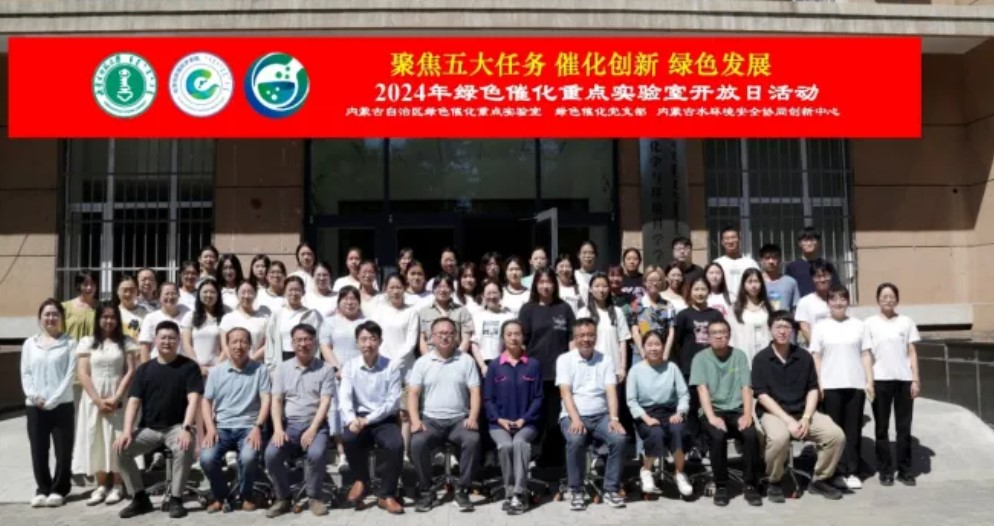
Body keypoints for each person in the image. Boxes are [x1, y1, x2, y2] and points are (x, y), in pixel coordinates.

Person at [751, 311, 845, 502]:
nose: (782, 331)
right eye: (778, 327)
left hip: (804, 411)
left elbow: (813, 389)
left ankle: (820, 479)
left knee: (835, 435)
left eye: (787, 327)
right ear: (770, 330)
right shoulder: (761, 359)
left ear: (793, 331)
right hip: (774, 413)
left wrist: (806, 418)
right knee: (779, 438)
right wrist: (788, 421)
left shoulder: (803, 356)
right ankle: (774, 480)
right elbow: (762, 396)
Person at [114, 320, 204, 519]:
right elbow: (133, 402)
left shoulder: (189, 367)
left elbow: (194, 400)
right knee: (121, 449)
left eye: (172, 338)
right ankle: (139, 498)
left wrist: (186, 428)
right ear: (155, 340)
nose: (167, 342)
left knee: (183, 446)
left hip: (177, 426)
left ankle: (176, 499)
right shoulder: (144, 370)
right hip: (150, 429)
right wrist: (127, 431)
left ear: (178, 340)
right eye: (163, 338)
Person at [408, 318, 482, 513]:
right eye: (440, 333)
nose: (444, 337)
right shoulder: (422, 362)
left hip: (459, 420)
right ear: (432, 337)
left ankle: (463, 490)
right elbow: (413, 393)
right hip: (431, 421)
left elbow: (475, 391)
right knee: (417, 442)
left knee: (472, 439)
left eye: (449, 333)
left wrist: (472, 417)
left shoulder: (466, 360)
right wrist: (415, 421)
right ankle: (426, 490)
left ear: (456, 336)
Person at [264, 324, 336, 518]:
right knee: (271, 454)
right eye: (298, 340)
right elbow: (277, 401)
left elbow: (325, 402)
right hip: (289, 426)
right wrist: (278, 429)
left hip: (316, 425)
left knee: (316, 453)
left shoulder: (326, 369)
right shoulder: (282, 369)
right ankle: (283, 498)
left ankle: (314, 497)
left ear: (315, 343)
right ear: (292, 343)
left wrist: (313, 429)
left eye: (307, 340)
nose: (303, 344)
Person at [689, 319, 762, 507]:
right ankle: (721, 485)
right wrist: (712, 417)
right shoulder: (700, 358)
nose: (719, 336)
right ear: (708, 337)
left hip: (736, 410)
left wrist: (747, 414)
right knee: (718, 436)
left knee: (750, 434)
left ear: (729, 335)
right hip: (713, 410)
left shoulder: (739, 355)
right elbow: (702, 389)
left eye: (723, 332)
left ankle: (750, 484)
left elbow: (746, 387)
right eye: (715, 333)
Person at [556, 318, 627, 510]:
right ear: (574, 337)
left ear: (596, 337)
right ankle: (576, 490)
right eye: (581, 335)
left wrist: (614, 418)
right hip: (573, 416)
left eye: (590, 335)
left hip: (601, 416)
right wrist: (575, 419)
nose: (586, 339)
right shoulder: (564, 359)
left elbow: (611, 391)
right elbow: (565, 392)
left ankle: (611, 489)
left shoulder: (606, 359)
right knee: (576, 439)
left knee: (619, 438)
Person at [199, 327, 271, 513]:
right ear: (227, 345)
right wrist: (210, 428)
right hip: (221, 428)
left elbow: (266, 400)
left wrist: (258, 427)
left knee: (248, 457)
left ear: (249, 345)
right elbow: (206, 401)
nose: (239, 346)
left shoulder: (260, 370)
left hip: (249, 427)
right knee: (207, 458)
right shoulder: (216, 372)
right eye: (234, 342)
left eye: (243, 341)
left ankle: (246, 495)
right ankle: (221, 496)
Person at [73, 302, 137, 506]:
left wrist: (117, 397)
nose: (109, 321)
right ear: (98, 319)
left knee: (117, 438)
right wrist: (97, 401)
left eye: (112, 317)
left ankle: (118, 484)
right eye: (105, 317)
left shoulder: (126, 342)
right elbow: (83, 373)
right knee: (97, 437)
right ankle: (101, 484)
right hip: (94, 398)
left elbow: (130, 371)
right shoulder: (87, 342)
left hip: (118, 398)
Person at [810, 285, 873, 491]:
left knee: (853, 431)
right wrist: (819, 384)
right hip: (830, 386)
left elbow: (865, 354)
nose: (838, 303)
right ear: (828, 303)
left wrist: (869, 381)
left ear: (848, 301)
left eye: (842, 299)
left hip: (855, 384)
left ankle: (852, 471)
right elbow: (816, 357)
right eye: (834, 299)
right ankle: (835, 471)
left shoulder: (859, 325)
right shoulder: (820, 326)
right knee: (834, 432)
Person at [340, 321, 405, 515]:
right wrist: (351, 419)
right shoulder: (350, 366)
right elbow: (345, 397)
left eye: (373, 339)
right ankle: (361, 480)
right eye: (364, 339)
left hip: (384, 419)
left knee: (396, 444)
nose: (368, 344)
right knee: (349, 438)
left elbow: (392, 402)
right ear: (357, 343)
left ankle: (387, 494)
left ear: (380, 341)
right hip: (358, 418)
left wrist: (368, 419)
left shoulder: (391, 366)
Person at [863, 282, 921, 487]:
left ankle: (905, 470)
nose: (888, 300)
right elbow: (866, 354)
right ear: (878, 299)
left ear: (897, 299)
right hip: (880, 380)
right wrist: (869, 381)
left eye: (891, 296)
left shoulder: (906, 322)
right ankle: (885, 470)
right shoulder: (869, 323)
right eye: (884, 296)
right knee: (881, 428)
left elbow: (912, 351)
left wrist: (915, 379)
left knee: (904, 428)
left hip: (904, 380)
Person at [21, 299, 78, 508]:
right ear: (40, 318)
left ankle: (59, 489)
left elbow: (70, 375)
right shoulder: (30, 344)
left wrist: (54, 399)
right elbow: (26, 373)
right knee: (38, 450)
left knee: (63, 450)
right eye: (47, 314)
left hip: (62, 405)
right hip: (35, 406)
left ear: (61, 318)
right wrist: (33, 396)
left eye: (55, 314)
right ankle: (42, 489)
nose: (51, 318)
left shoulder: (70, 343)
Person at [518, 268, 576, 467]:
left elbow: (571, 339)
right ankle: (534, 457)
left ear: (555, 284)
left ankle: (555, 460)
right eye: (541, 282)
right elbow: (522, 343)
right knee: (536, 417)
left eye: (549, 282)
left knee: (556, 417)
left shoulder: (564, 308)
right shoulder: (528, 309)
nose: (545, 286)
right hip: (534, 373)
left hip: (559, 375)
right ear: (535, 284)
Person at [484, 320, 543, 515]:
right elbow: (488, 399)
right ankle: (509, 492)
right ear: (503, 337)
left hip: (527, 423)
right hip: (499, 424)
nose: (513, 338)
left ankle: (519, 493)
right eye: (509, 334)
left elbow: (538, 398)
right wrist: (499, 420)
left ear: (523, 336)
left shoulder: (533, 365)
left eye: (517, 334)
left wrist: (524, 420)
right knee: (505, 446)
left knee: (519, 443)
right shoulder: (495, 365)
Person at [626, 330, 692, 498]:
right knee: (656, 433)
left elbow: (683, 394)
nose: (654, 348)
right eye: (650, 345)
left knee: (678, 430)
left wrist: (680, 412)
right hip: (646, 413)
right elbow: (631, 400)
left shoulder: (672, 367)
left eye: (657, 344)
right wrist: (646, 418)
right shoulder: (635, 370)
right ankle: (646, 470)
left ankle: (679, 473)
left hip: (670, 412)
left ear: (663, 346)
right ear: (643, 347)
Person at [318, 286, 365, 465]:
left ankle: (358, 450)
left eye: (353, 299)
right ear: (338, 302)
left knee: (358, 409)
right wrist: (337, 368)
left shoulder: (366, 322)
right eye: (345, 299)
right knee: (337, 410)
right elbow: (325, 346)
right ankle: (342, 452)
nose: (350, 302)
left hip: (361, 373)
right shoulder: (329, 322)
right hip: (336, 373)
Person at [578, 273, 632, 382]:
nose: (601, 290)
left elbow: (622, 341)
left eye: (604, 286)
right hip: (589, 368)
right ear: (590, 289)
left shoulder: (617, 312)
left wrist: (622, 367)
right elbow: (578, 341)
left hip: (613, 368)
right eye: (597, 286)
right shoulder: (583, 313)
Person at [265, 275, 323, 371]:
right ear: (284, 292)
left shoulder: (311, 314)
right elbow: (270, 341)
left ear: (303, 292)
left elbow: (316, 342)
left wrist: (314, 364)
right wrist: (271, 366)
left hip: (305, 360)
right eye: (290, 290)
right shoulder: (277, 315)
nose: (294, 293)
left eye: (297, 290)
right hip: (282, 359)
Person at [417, 274, 473, 359]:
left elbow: (466, 339)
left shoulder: (462, 311)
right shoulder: (424, 312)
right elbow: (422, 339)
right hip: (431, 357)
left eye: (446, 287)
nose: (442, 290)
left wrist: (457, 359)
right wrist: (428, 359)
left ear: (452, 290)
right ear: (433, 289)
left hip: (456, 357)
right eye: (439, 286)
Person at [180, 278, 228, 376]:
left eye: (212, 292)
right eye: (205, 292)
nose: (208, 295)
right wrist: (197, 366)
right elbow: (186, 344)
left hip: (217, 369)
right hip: (194, 369)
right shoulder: (190, 316)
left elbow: (226, 345)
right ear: (199, 294)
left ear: (218, 295)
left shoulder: (225, 318)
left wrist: (217, 367)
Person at [470, 281, 516, 377]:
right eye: (488, 293)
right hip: (481, 364)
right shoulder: (477, 317)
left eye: (495, 292)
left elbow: (513, 342)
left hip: (505, 363)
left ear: (501, 294)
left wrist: (503, 362)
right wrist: (482, 366)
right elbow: (474, 343)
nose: (492, 296)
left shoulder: (509, 317)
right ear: (483, 296)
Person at [137, 283, 190, 363]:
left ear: (179, 296)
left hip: (183, 364)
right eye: (166, 294)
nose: (170, 297)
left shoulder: (187, 316)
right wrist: (145, 368)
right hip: (158, 364)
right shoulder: (150, 318)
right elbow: (144, 346)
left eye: (173, 293)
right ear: (159, 297)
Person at [730, 268, 774, 363]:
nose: (753, 285)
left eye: (756, 281)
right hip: (743, 354)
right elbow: (731, 335)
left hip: (765, 354)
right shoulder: (735, 308)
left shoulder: (767, 307)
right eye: (749, 282)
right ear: (743, 284)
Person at [219, 280, 270, 363]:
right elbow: (224, 345)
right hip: (233, 364)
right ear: (237, 294)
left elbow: (267, 344)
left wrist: (252, 360)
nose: (246, 296)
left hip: (256, 364)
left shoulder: (264, 318)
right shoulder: (228, 318)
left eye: (250, 292)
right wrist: (235, 362)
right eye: (243, 292)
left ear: (255, 294)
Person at [786, 228, 842, 297]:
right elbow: (787, 290)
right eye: (805, 240)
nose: (809, 243)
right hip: (801, 303)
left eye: (812, 240)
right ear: (799, 243)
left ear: (818, 243)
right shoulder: (792, 267)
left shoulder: (826, 265)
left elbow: (836, 288)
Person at [795, 258, 837, 344]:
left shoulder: (838, 300)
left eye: (825, 275)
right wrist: (816, 347)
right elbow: (805, 329)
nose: (822, 280)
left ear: (831, 276)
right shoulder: (805, 302)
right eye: (818, 276)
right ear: (812, 278)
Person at [713, 226, 759, 299]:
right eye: (727, 238)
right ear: (722, 242)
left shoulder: (750, 263)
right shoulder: (717, 264)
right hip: (723, 303)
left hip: (746, 303)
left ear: (739, 240)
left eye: (733, 238)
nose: (730, 241)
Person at [759, 244, 800, 313]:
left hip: (785, 319)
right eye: (767, 258)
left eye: (774, 258)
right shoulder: (756, 282)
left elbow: (795, 309)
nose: (771, 261)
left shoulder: (790, 282)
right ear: (761, 260)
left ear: (780, 259)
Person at [63, 270, 97, 341]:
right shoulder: (65, 307)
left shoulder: (101, 308)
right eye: (85, 284)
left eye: (92, 284)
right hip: (71, 347)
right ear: (79, 285)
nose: (89, 287)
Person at [116, 275, 148, 341]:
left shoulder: (145, 313)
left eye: (132, 290)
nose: (128, 294)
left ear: (137, 291)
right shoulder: (113, 313)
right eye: (125, 290)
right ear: (117, 291)